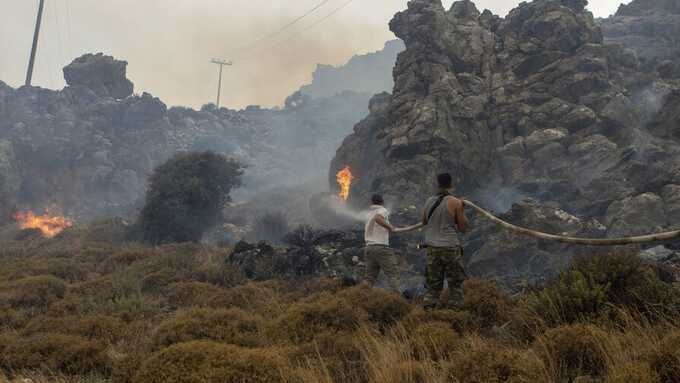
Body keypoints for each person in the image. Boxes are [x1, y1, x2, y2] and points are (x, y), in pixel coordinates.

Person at [420, 173, 470, 310]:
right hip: (449, 248)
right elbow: (463, 227)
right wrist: (461, 209)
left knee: (433, 285)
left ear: (437, 184)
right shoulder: (455, 202)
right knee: (455, 285)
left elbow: (424, 221)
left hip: (432, 249)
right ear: (451, 184)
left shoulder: (429, 201)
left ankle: (428, 313)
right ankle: (455, 314)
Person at [363, 193, 401, 293]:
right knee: (393, 274)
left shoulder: (368, 213)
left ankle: (361, 296)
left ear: (371, 202)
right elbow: (378, 218)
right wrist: (391, 227)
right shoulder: (382, 210)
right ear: (382, 202)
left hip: (369, 248)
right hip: (381, 247)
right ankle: (396, 299)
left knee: (369, 278)